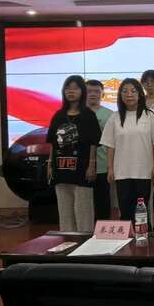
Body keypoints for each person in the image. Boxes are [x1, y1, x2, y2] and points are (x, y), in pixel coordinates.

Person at [102, 78, 154, 225]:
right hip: (122, 172)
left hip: (144, 172)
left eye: (133, 91)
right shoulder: (115, 117)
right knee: (125, 211)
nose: (129, 94)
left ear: (140, 94)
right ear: (120, 95)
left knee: (142, 212)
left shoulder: (150, 115)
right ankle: (127, 238)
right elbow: (110, 145)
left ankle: (144, 237)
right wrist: (110, 168)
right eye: (125, 91)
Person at [46, 75, 101, 232]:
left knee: (83, 210)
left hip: (82, 168)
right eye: (68, 88)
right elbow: (53, 143)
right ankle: (67, 240)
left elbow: (93, 143)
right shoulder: (58, 116)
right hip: (60, 168)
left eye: (75, 88)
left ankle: (84, 241)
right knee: (65, 210)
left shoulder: (88, 115)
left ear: (82, 91)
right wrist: (50, 164)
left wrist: (92, 165)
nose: (71, 91)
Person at [86, 79, 114, 220]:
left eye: (97, 91)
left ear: (102, 94)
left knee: (102, 202)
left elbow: (113, 143)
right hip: (81, 166)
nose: (93, 94)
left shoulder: (110, 115)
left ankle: (103, 230)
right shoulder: (78, 113)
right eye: (89, 91)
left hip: (103, 165)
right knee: (84, 205)